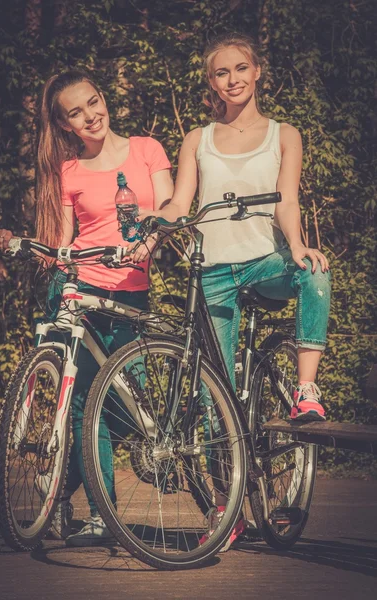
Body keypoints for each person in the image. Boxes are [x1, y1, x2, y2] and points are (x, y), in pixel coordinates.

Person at [138, 33, 331, 549]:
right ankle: (228, 509)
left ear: (257, 71)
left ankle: (305, 394)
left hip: (264, 263)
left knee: (316, 272)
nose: (233, 80)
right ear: (212, 82)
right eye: (222, 74)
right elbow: (181, 201)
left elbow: (287, 200)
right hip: (213, 272)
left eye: (241, 69)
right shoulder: (198, 139)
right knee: (211, 400)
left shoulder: (283, 133)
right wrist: (153, 225)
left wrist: (296, 245)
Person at [0, 69, 173, 546]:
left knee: (118, 411)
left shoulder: (147, 149)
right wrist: (20, 243)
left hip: (131, 292)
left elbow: (170, 206)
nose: (90, 116)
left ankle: (60, 491)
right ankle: (101, 516)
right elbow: (64, 242)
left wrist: (151, 241)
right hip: (81, 287)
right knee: (83, 406)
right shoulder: (67, 171)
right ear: (65, 124)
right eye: (76, 112)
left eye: (93, 102)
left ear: (104, 98)